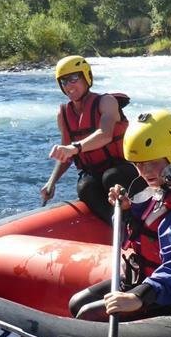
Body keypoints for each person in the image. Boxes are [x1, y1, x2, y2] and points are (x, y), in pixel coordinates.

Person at [69, 109, 171, 321]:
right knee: (77, 303)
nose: (145, 172)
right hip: (143, 278)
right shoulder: (153, 193)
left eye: (152, 162)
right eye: (138, 165)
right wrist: (126, 211)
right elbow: (132, 238)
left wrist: (140, 296)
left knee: (89, 315)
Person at [41, 55, 138, 224]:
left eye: (73, 78)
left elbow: (105, 134)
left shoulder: (107, 102)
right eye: (64, 81)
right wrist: (52, 182)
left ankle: (132, 221)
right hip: (94, 172)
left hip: (122, 167)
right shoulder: (63, 114)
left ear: (87, 77)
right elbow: (66, 155)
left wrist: (75, 147)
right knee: (85, 186)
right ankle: (117, 224)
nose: (69, 86)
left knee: (111, 176)